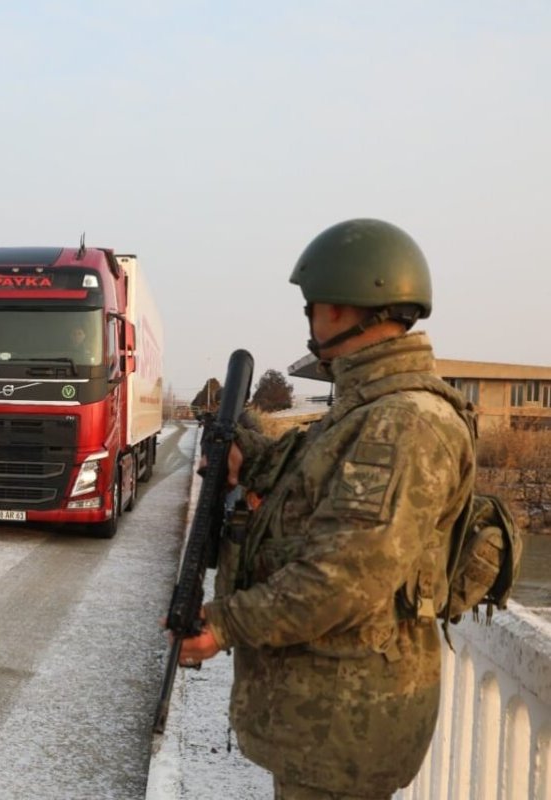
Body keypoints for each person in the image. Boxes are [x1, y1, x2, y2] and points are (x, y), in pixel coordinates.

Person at [178, 219, 476, 799]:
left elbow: (343, 579)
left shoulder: (403, 421)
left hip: (344, 726)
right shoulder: (367, 410)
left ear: (341, 308)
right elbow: (313, 493)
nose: (310, 320)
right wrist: (251, 458)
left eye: (312, 306)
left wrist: (223, 625)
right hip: (324, 716)